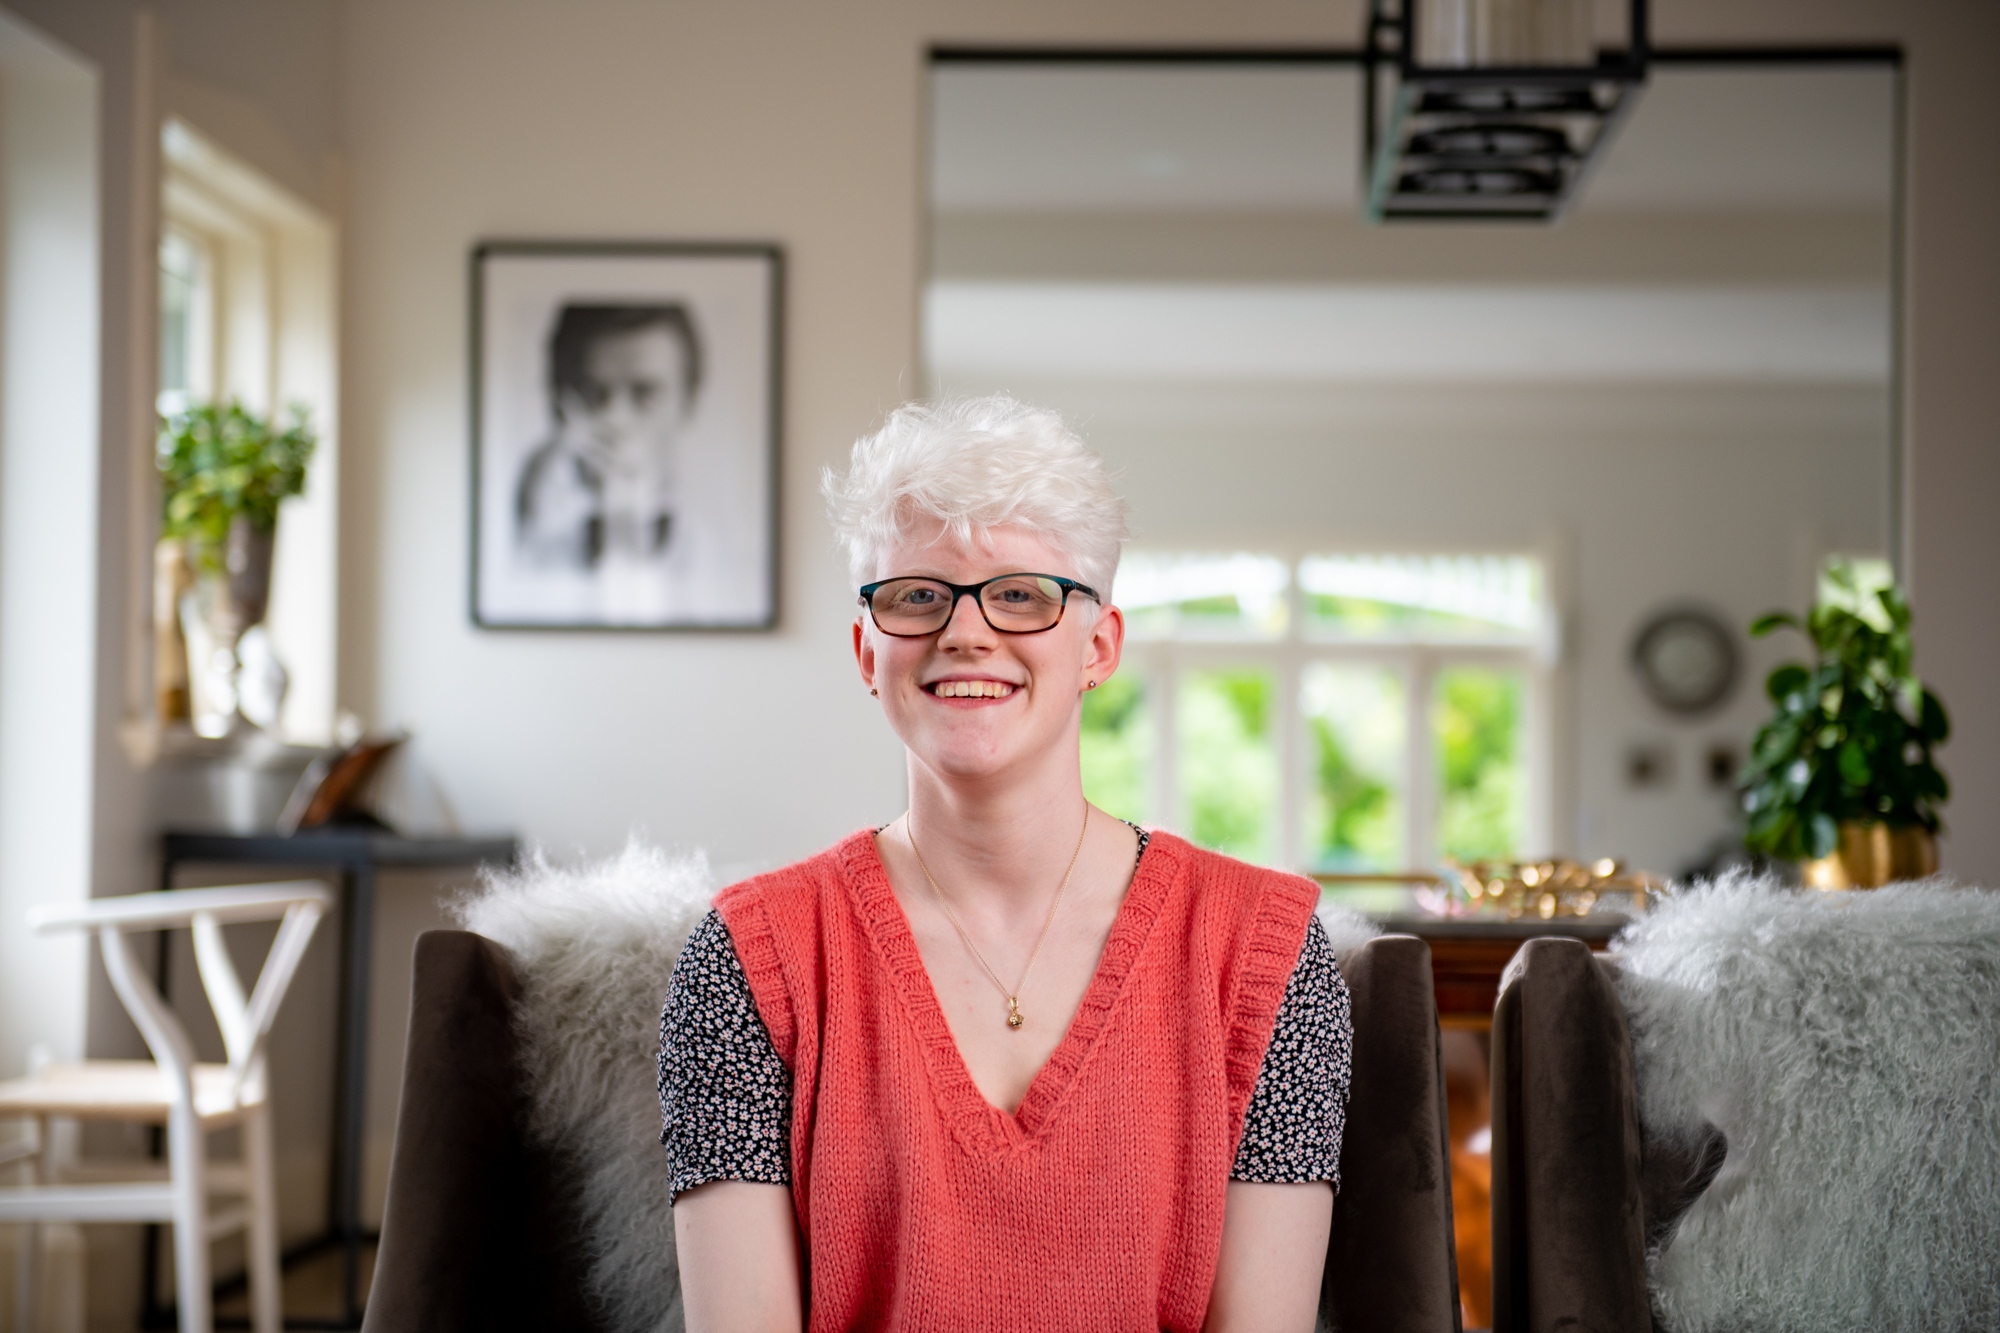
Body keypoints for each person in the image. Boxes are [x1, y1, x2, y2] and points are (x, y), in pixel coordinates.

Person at [658, 396, 1352, 1332]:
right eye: (917, 595)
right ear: (868, 650)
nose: (966, 633)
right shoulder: (748, 959)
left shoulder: (1264, 957)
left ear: (1098, 646)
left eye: (1020, 594)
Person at [514, 302, 702, 574]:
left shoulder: (727, 560)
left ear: (688, 402)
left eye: (645, 394)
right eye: (592, 393)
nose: (615, 420)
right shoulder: (528, 542)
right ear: (559, 404)